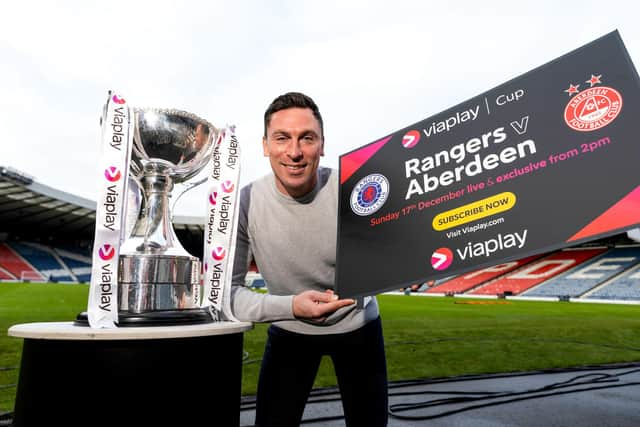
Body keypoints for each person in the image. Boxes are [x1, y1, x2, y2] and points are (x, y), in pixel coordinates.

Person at [231, 92, 388, 426]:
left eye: (307, 138)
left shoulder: (353, 189)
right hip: (289, 330)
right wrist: (290, 307)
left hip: (359, 328)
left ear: (322, 144)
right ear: (264, 145)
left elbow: (391, 252)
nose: (295, 151)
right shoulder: (244, 202)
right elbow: (228, 296)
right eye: (282, 138)